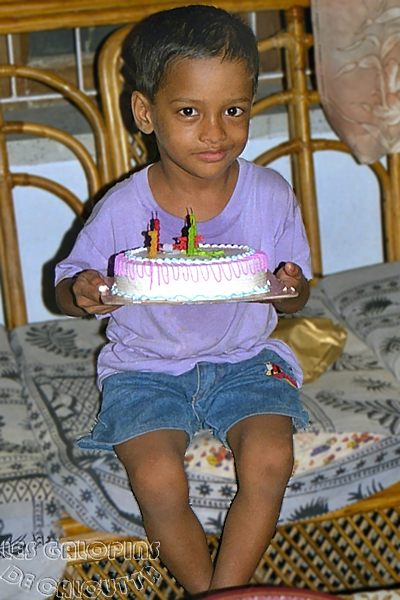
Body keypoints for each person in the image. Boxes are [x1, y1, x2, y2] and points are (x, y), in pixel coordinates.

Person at [55, 4, 311, 595]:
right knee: (156, 479)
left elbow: (294, 298)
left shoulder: (270, 195)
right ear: (146, 113)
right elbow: (68, 286)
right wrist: (83, 291)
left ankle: (224, 593)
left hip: (245, 358)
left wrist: (292, 287)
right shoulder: (124, 208)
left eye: (234, 110)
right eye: (190, 111)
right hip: (145, 367)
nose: (215, 132)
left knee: (271, 459)